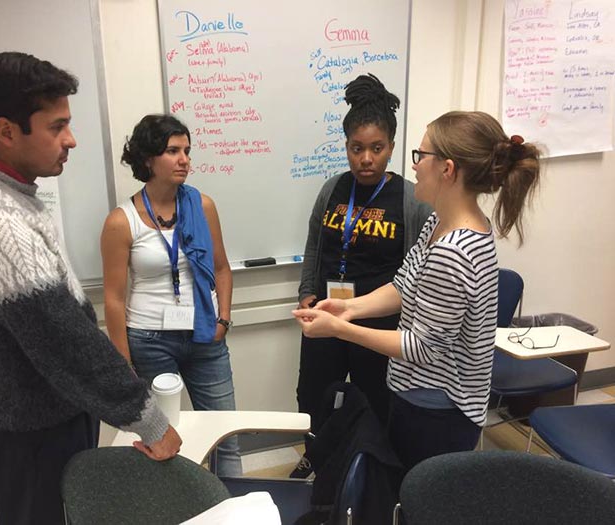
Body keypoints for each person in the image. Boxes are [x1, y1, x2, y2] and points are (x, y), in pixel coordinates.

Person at [0, 52, 181, 525]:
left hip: (35, 416)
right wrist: (147, 419)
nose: (71, 139)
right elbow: (62, 337)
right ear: (8, 131)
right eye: (56, 126)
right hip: (33, 428)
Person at [293, 110, 540, 470]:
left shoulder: (454, 252)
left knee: (417, 502)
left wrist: (340, 329)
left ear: (447, 169)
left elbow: (422, 347)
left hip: (439, 411)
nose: (414, 166)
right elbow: (403, 285)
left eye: (421, 156)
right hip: (416, 398)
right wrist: (348, 309)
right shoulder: (440, 224)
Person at [292, 74, 432, 477]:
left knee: (375, 399)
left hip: (380, 323)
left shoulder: (409, 199)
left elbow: (417, 269)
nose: (366, 159)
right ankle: (316, 456)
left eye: (376, 148)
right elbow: (315, 245)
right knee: (314, 394)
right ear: (347, 147)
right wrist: (307, 293)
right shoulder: (332, 189)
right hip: (328, 314)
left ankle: (372, 465)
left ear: (391, 147)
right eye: (357, 149)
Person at [101, 114, 241, 476]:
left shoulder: (202, 206)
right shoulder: (121, 220)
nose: (184, 160)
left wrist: (223, 319)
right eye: (172, 151)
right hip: (150, 340)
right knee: (164, 441)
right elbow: (114, 299)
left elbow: (222, 268)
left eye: (187, 151)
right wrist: (123, 364)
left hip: (205, 334)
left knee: (226, 434)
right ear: (148, 159)